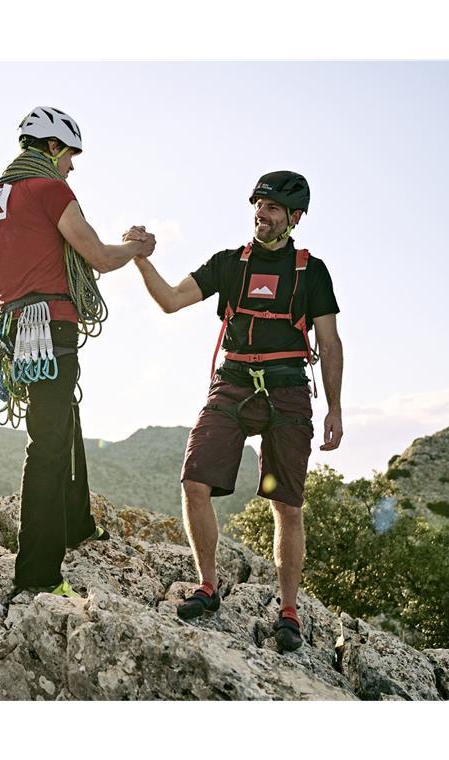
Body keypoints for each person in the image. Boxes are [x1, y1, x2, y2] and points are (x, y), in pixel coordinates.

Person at [128, 171, 343, 651]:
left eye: (271, 209)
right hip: (233, 384)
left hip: (288, 392)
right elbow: (170, 300)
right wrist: (141, 260)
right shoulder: (230, 263)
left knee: (286, 504)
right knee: (194, 481)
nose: (261, 215)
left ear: (294, 218)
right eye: (258, 206)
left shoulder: (312, 272)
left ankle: (289, 611)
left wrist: (335, 409)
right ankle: (208, 586)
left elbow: (328, 344)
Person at [0, 106, 155, 598]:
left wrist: (17, 281)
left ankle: (77, 523)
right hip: (52, 328)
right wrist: (136, 247)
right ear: (50, 147)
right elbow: (101, 258)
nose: (71, 165)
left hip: (16, 330)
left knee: (64, 417)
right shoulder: (51, 190)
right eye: (69, 154)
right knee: (46, 445)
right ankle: (37, 574)